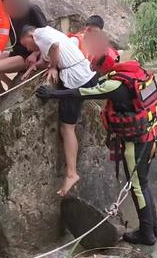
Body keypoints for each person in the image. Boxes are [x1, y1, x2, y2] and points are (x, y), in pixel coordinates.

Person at [36, 56, 157, 244]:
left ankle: (147, 234)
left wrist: (52, 94)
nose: (93, 71)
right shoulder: (136, 74)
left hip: (135, 143)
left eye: (95, 68)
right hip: (150, 135)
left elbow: (82, 93)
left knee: (136, 186)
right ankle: (154, 228)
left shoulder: (114, 85)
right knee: (143, 184)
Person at [19, 24, 99, 196]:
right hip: (86, 73)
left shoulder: (40, 35)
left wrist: (53, 67)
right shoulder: (47, 33)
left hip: (77, 78)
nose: (28, 48)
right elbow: (53, 53)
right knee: (69, 125)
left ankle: (71, 173)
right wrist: (36, 66)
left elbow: (54, 47)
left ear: (30, 35)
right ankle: (72, 173)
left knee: (67, 128)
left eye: (26, 45)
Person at [0, 0, 48, 102]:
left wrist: (35, 53)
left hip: (29, 55)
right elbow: (1, 42)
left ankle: (1, 94)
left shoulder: (32, 9)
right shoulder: (6, 15)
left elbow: (48, 35)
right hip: (16, 52)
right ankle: (9, 86)